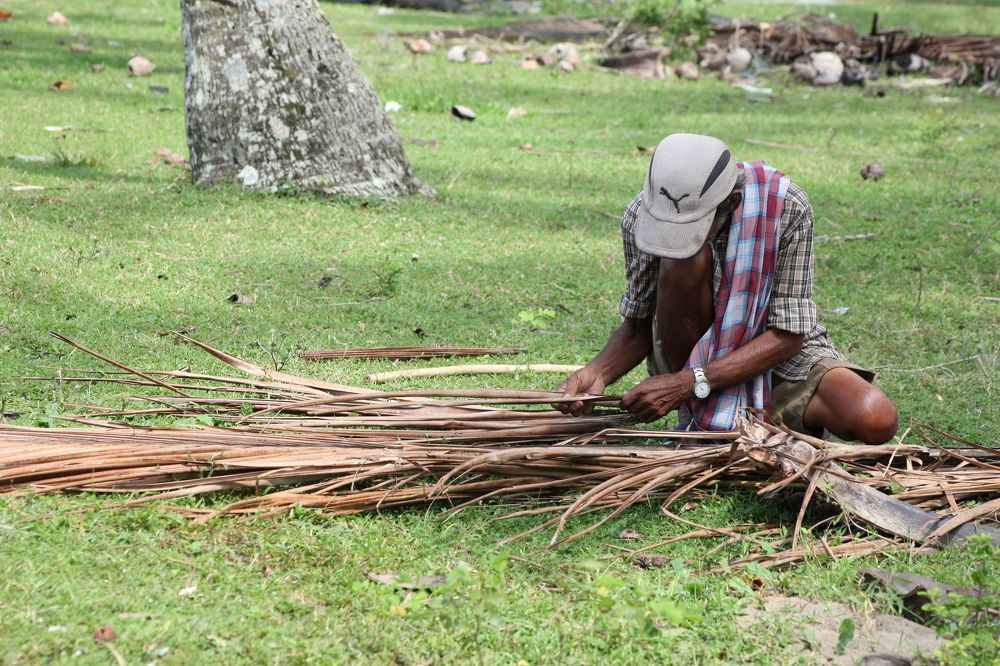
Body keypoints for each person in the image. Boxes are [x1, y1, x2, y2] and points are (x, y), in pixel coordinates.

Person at [556, 133, 898, 444]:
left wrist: (690, 383)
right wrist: (596, 373)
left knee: (876, 418)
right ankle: (715, 419)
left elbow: (789, 334)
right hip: (686, 354)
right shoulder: (645, 216)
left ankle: (755, 420)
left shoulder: (784, 207)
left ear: (731, 203)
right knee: (683, 261)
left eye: (691, 227)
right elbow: (638, 326)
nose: (673, 234)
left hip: (773, 353)